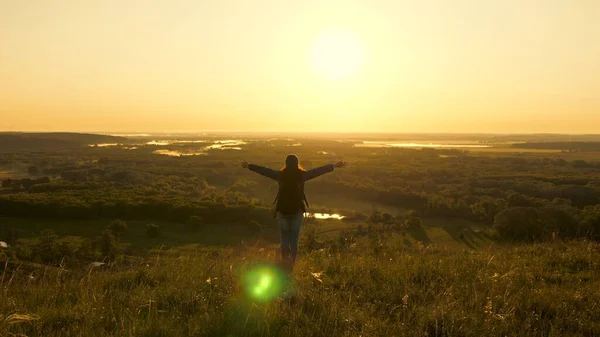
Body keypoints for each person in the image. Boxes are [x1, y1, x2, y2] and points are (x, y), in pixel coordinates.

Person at [242, 154, 347, 271]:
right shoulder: (302, 175)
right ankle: (292, 264)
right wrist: (334, 165)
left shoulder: (280, 175)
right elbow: (318, 171)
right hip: (297, 211)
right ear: (297, 164)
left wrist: (249, 166)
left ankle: (284, 262)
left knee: (284, 237)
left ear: (286, 163)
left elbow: (265, 171)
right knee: (294, 239)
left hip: (282, 210)